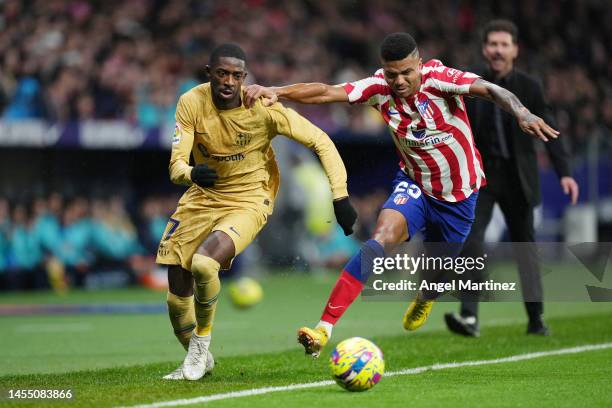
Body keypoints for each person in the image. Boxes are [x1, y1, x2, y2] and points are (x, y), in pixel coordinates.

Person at [245, 32, 560, 358]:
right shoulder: (378, 87)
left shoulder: (441, 79)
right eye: (392, 73)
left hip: (459, 197)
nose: (399, 80)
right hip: (415, 185)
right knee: (380, 238)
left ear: (419, 65)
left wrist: (521, 112)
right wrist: (277, 91)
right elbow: (327, 91)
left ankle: (425, 298)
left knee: (438, 271)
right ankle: (324, 328)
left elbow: (492, 90)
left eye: (407, 72)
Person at [156, 43, 357, 380]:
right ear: (210, 74)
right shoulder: (191, 102)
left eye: (236, 75)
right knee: (177, 292)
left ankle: (200, 347)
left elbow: (321, 140)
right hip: (202, 197)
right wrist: (190, 173)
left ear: (244, 78)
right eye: (222, 73)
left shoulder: (263, 107)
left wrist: (340, 197)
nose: (228, 81)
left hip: (250, 200)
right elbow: (176, 163)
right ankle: (197, 355)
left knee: (205, 264)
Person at [443, 20, 579, 337]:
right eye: (493, 44)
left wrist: (566, 173)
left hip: (519, 178)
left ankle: (536, 318)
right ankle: (469, 317)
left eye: (504, 44)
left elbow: (550, 130)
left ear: (515, 49)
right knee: (471, 241)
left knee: (525, 248)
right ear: (484, 49)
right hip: (482, 176)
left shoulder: (530, 87)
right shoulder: (472, 85)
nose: (498, 50)